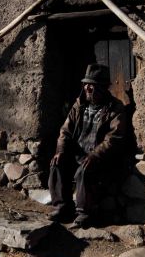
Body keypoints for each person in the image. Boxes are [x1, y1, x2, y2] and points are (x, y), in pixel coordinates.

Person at [48, 63, 128, 228]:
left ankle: (84, 212)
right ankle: (62, 207)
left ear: (103, 87)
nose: (87, 88)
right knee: (57, 163)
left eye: (92, 85)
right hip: (78, 154)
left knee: (85, 169)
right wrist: (61, 150)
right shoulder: (79, 106)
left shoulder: (115, 108)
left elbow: (113, 139)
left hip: (101, 159)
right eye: (86, 84)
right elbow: (65, 131)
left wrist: (95, 155)